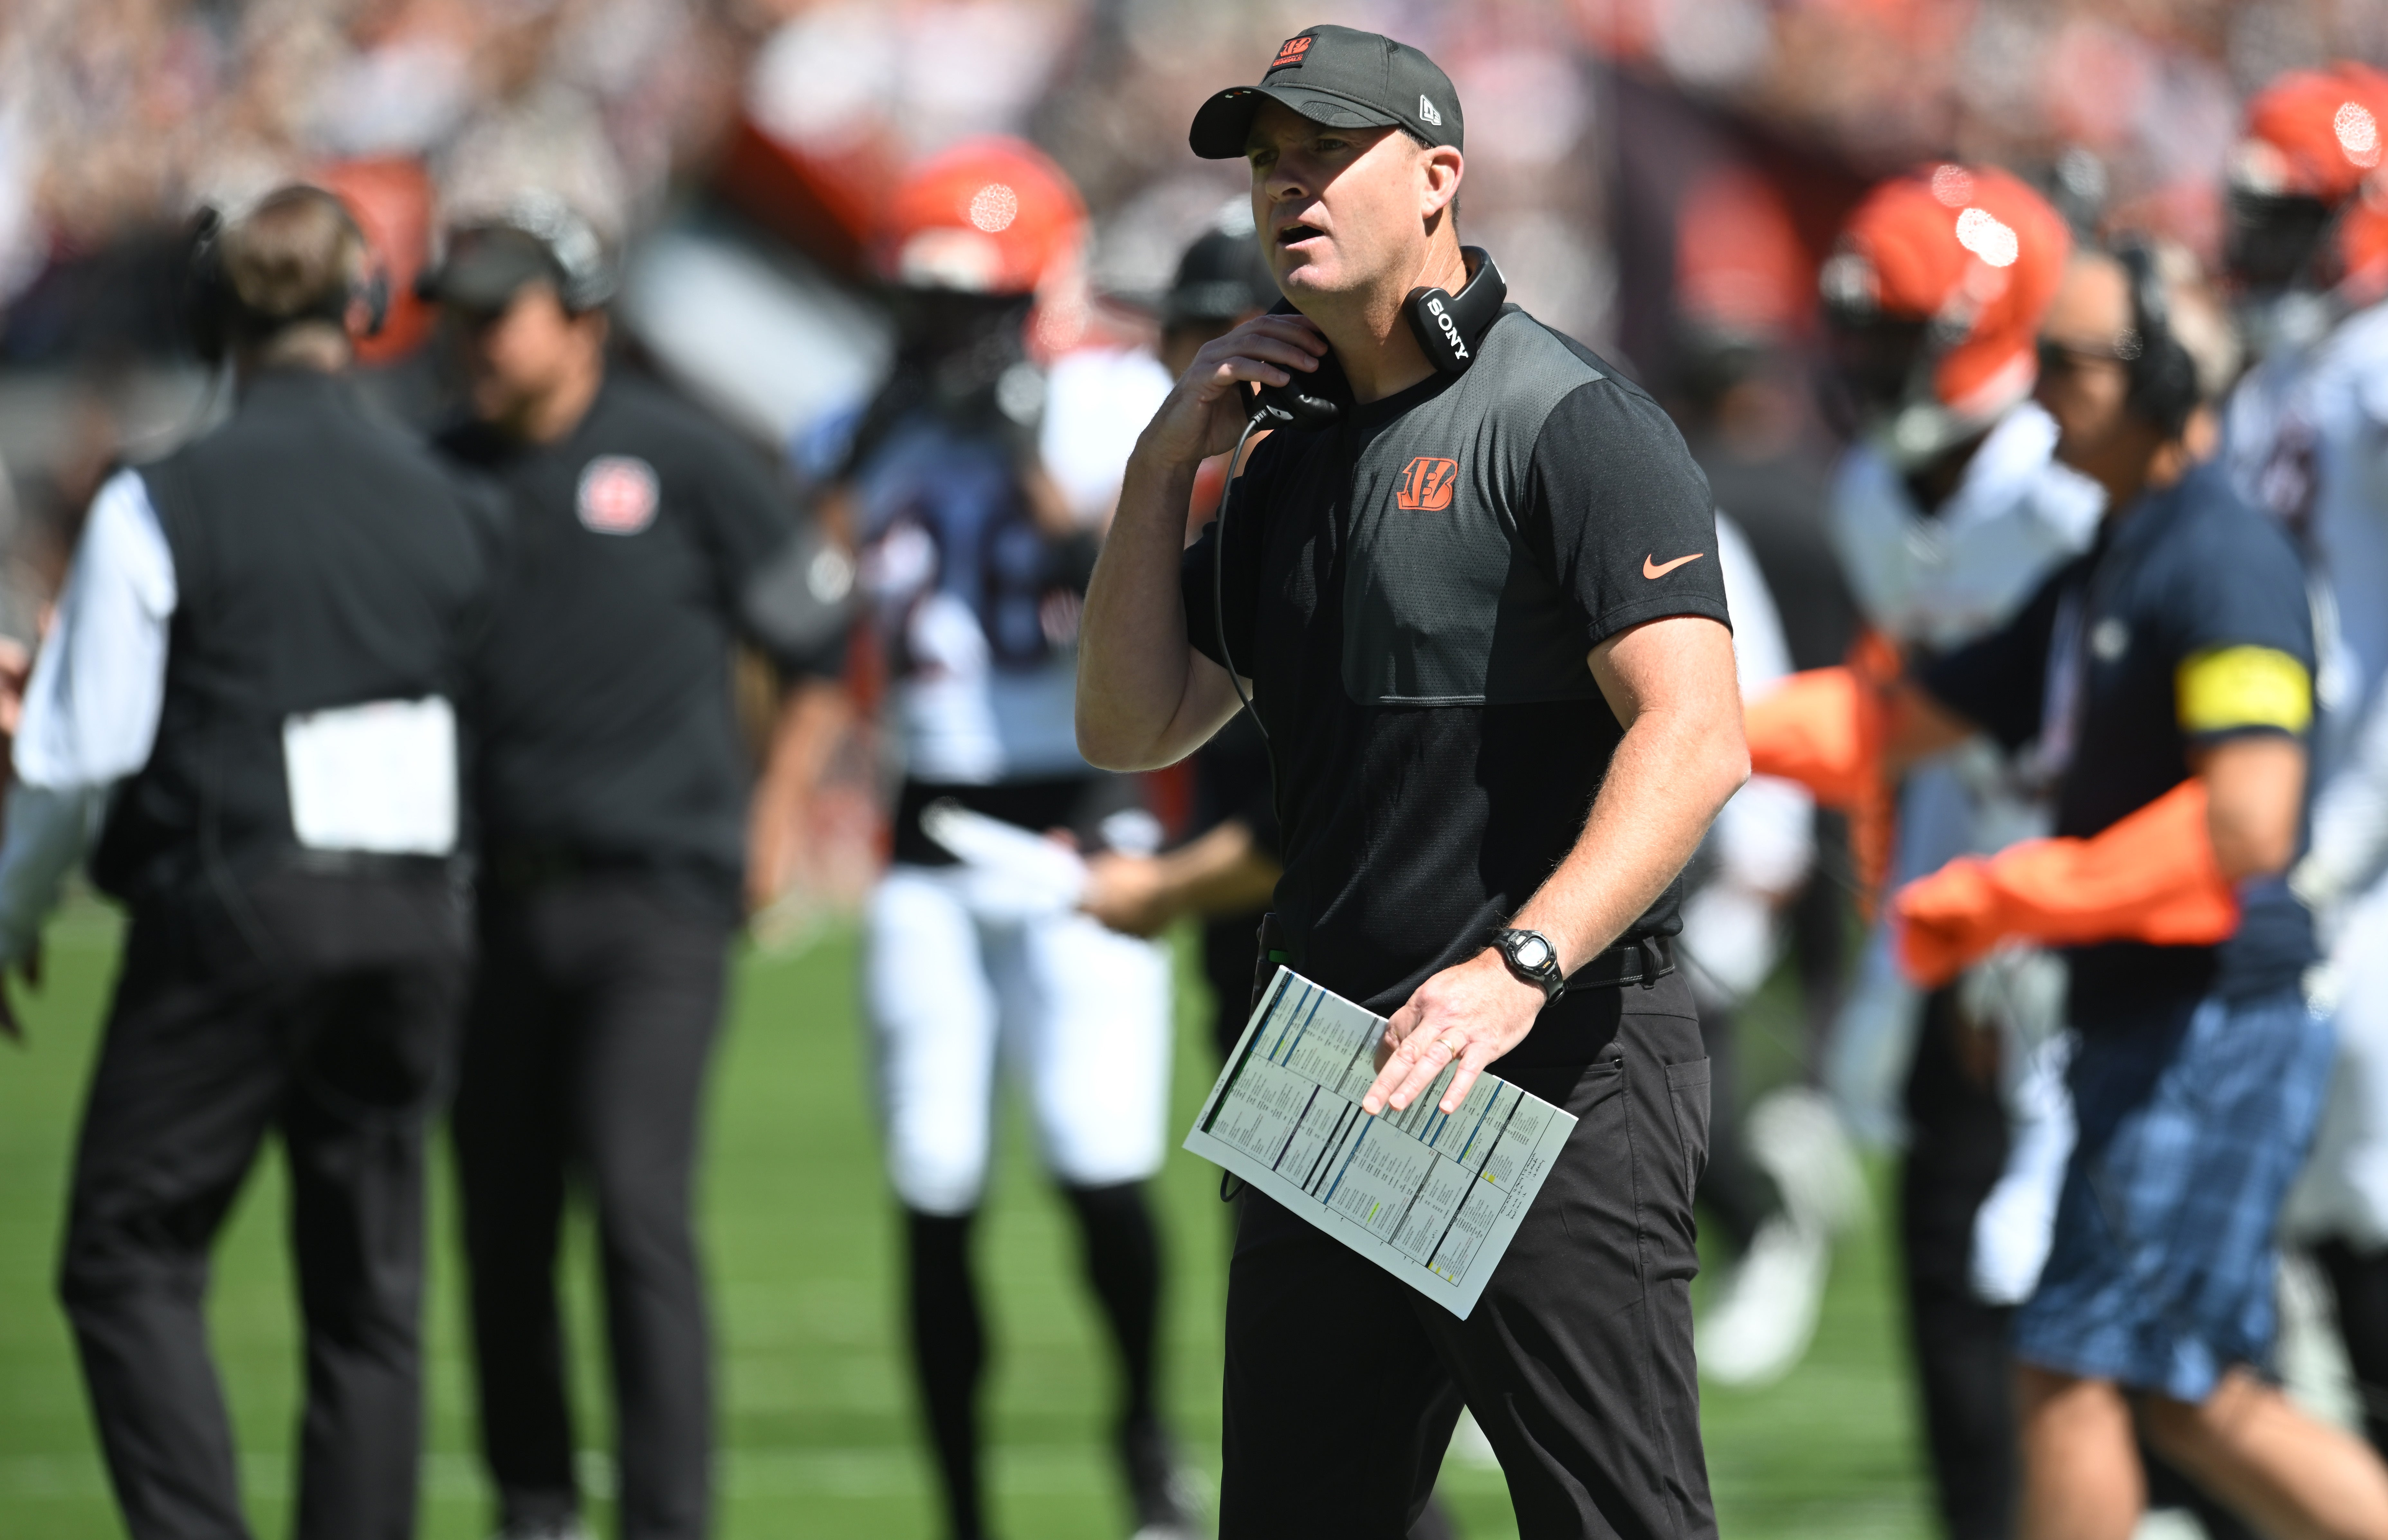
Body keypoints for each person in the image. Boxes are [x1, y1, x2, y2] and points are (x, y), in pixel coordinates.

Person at [1078, 25, 1749, 1537]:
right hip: (1325, 1062)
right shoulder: (1281, 454)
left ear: (1438, 176)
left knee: (1617, 1520)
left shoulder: (1571, 419)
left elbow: (1696, 734)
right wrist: (1159, 463)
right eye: (1267, 163)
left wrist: (1521, 964)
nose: (1285, 188)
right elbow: (1128, 724)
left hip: (1544, 1054)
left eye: (1326, 153)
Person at [0, 186, 495, 1540]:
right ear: (365, 307)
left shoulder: (161, 498)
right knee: (370, 1293)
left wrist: (10, 917)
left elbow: (84, 750)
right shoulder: (454, 502)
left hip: (235, 903)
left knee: (126, 1254)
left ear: (211, 315)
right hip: (414, 916)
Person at [1881, 240, 2388, 1540]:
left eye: (2066, 361)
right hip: (2153, 1016)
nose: (2034, 386)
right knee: (2179, 1392)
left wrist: (2013, 896)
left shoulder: (2220, 556)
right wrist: (1674, 710)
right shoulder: (2111, 555)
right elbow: (1888, 720)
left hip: (2213, 1015)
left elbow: (2247, 822)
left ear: (2160, 378)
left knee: (2084, 1366)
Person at [422, 196, 852, 1540]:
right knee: (500, 1221)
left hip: (656, 896)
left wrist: (776, 814)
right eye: (458, 315)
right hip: (483, 905)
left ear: (583, 321)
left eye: (498, 315)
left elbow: (818, 646)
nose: (471, 340)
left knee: (634, 1202)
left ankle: (668, 1521)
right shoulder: (434, 471)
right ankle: (534, 1507)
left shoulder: (683, 457)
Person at [822, 138, 1195, 1540]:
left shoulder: (1110, 403)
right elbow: (800, 589)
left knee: (1100, 1161)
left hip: (1079, 822)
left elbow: (1129, 582)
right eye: (923, 305)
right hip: (925, 832)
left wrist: (1025, 442)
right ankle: (962, 1506)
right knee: (932, 1182)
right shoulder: (867, 423)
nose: (940, 333)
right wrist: (878, 435)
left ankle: (1147, 1444)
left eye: (967, 304)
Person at [1741, 164, 2099, 1530]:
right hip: (1969, 903)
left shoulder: (2068, 488)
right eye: (1860, 333)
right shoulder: (1877, 495)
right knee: (1950, 1270)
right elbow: (1915, 728)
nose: (1868, 363)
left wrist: (1700, 731)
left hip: (2107, 901)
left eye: (1896, 334)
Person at [2218, 62, 2388, 1457]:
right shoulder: (2285, 374)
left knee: (2368, 1140)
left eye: (2290, 217)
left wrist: (2352, 820)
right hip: (2302, 821)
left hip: (2362, 828)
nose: (2262, 247)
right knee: (2318, 1164)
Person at [1079, 221, 1284, 1062]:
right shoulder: (1237, 507)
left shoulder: (1312, 505)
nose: (1168, 355)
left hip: (1358, 980)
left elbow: (1315, 809)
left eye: (1188, 330)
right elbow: (1120, 728)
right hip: (1266, 952)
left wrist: (1164, 887)